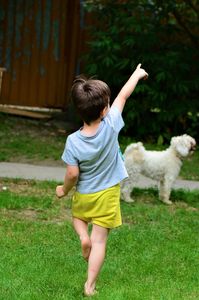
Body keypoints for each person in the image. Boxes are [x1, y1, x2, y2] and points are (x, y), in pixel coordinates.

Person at [56, 63, 148, 297]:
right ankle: (90, 286)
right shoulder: (111, 124)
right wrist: (136, 74)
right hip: (107, 194)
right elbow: (124, 95)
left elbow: (72, 175)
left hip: (84, 194)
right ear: (104, 110)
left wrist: (64, 190)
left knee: (78, 218)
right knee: (100, 242)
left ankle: (81, 236)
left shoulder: (73, 141)